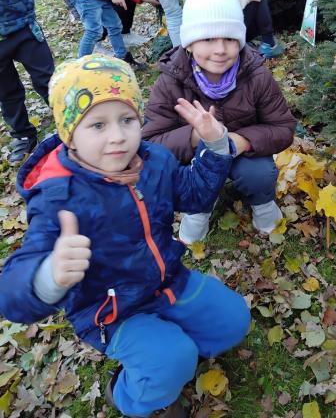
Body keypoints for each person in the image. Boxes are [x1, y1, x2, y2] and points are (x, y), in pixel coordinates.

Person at [0, 54, 250, 417]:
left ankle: (172, 349)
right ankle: (129, 394)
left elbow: (194, 195)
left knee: (233, 319)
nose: (118, 136)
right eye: (97, 125)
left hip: (168, 282)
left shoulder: (155, 161)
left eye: (127, 119)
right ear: (70, 135)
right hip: (112, 312)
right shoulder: (58, 197)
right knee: (171, 360)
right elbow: (11, 294)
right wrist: (47, 277)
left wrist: (214, 146)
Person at [142, 0, 296, 243]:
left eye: (230, 39)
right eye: (208, 39)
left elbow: (283, 128)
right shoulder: (170, 82)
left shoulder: (257, 76)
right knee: (195, 176)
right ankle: (197, 208)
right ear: (189, 44)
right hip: (194, 158)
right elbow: (150, 143)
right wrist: (197, 136)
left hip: (242, 155)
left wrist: (240, 141)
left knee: (258, 174)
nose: (221, 49)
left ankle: (262, 203)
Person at [0, 0, 54, 163]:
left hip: (21, 24)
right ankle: (22, 134)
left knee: (47, 79)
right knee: (6, 92)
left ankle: (70, 116)